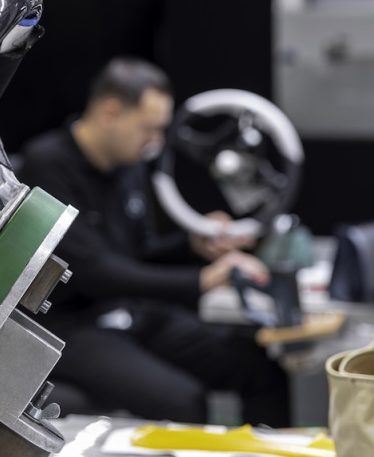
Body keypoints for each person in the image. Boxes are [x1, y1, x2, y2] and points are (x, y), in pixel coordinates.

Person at [14, 57, 291, 427]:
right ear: (111, 113)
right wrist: (201, 280)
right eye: (150, 129)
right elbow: (93, 271)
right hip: (69, 327)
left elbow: (136, 257)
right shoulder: (46, 164)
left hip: (131, 311)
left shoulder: (127, 165)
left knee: (258, 367)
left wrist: (193, 245)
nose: (156, 143)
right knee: (184, 402)